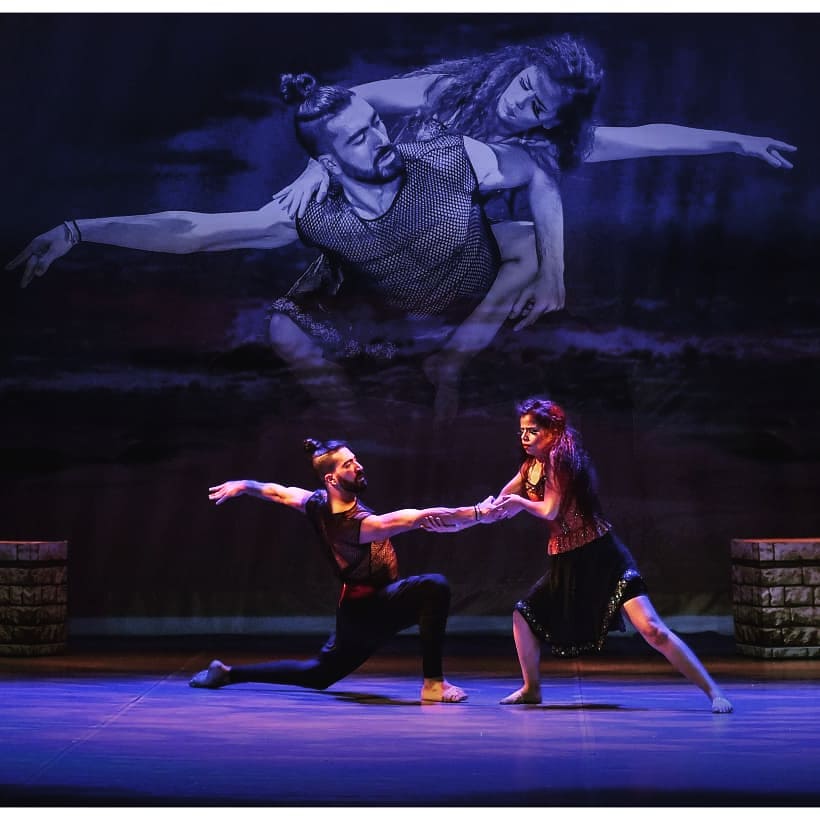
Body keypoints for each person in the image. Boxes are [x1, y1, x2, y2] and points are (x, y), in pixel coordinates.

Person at [6, 73, 563, 419]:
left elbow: (539, 171)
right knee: (284, 330)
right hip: (382, 297)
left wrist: (553, 274)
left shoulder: (447, 157)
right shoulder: (313, 212)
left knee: (528, 243)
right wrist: (79, 230)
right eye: (359, 138)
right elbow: (195, 233)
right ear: (327, 162)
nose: (381, 140)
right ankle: (351, 429)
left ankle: (451, 365)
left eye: (376, 124)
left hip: (464, 270)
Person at [277, 34, 796, 313]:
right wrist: (316, 164)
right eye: (525, 85)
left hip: (436, 244)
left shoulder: (543, 146)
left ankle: (451, 351)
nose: (519, 103)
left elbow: (648, 137)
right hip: (375, 209)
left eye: (538, 107)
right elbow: (351, 100)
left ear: (552, 119)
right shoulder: (453, 91)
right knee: (277, 228)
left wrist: (738, 142)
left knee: (526, 224)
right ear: (519, 69)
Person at [426, 396, 733, 713]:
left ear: (552, 431)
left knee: (652, 628)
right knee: (523, 615)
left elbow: (549, 510)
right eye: (522, 431)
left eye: (532, 431)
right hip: (567, 562)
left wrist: (518, 503)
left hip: (602, 556)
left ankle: (714, 692)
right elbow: (496, 507)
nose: (525, 437)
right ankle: (531, 689)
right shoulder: (529, 468)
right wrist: (455, 521)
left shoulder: (561, 459)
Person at [189, 437, 503, 702]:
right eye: (349, 465)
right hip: (367, 609)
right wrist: (477, 513)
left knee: (319, 674)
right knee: (433, 587)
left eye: (355, 460)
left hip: (370, 606)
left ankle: (227, 673)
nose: (359, 466)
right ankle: (433, 684)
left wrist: (244, 485)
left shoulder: (316, 502)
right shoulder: (354, 526)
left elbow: (278, 492)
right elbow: (416, 517)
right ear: (331, 479)